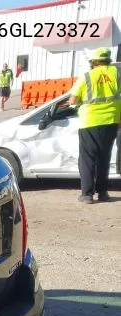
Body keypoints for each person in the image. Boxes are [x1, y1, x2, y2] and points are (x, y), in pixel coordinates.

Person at [69, 47, 121, 203]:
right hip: (111, 121)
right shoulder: (117, 74)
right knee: (104, 158)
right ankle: (103, 193)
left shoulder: (87, 77)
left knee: (88, 159)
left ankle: (87, 194)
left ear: (94, 62)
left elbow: (73, 100)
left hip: (89, 122)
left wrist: (78, 104)